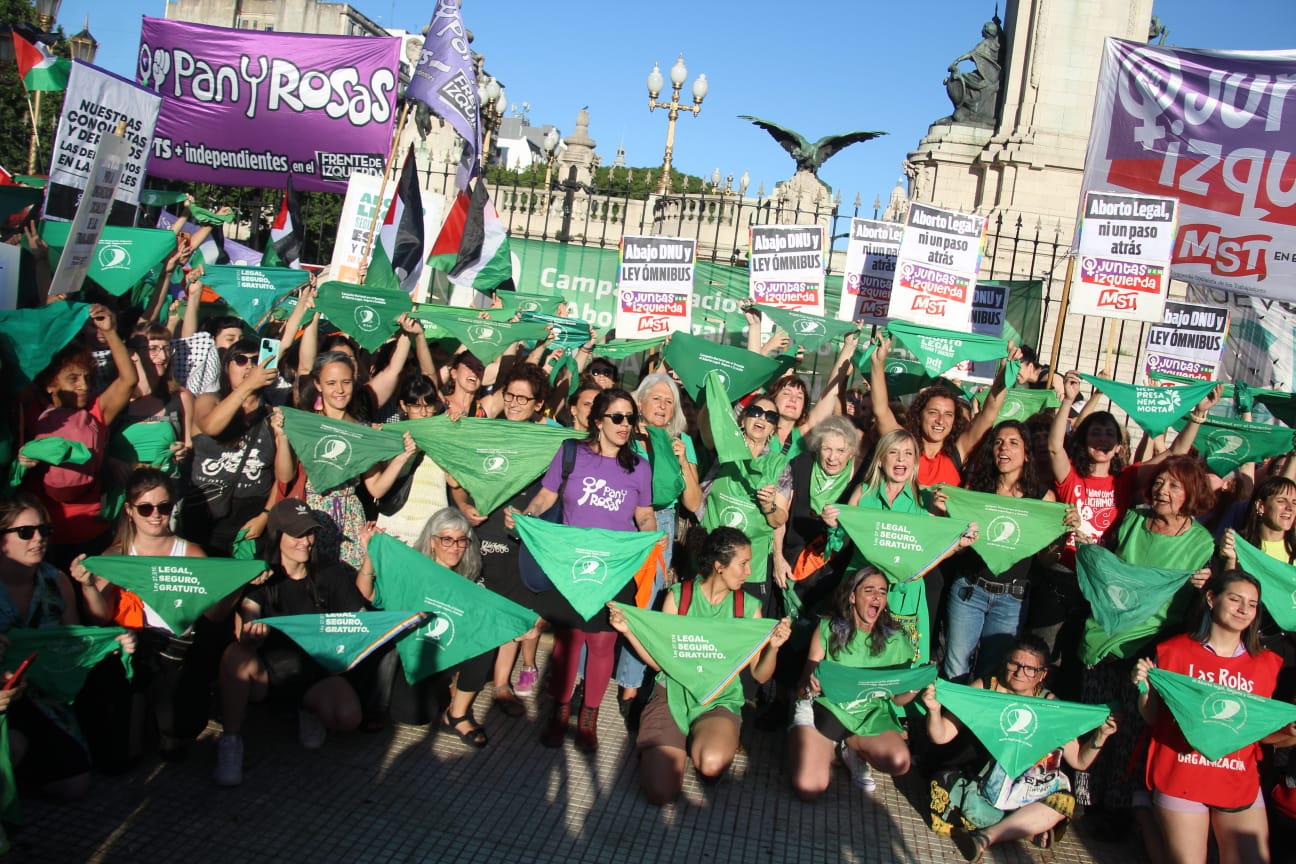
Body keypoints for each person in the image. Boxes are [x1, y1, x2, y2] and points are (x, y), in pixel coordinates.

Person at [1074, 455, 1217, 835]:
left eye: (1173, 485)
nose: (1161, 490)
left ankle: (1117, 808)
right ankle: (1083, 798)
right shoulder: (1135, 519)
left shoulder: (1201, 543)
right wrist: (1086, 542)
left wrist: (1206, 587)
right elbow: (1106, 562)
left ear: (1192, 493)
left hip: (1152, 646)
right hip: (1104, 634)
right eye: (1159, 482)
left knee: (1132, 728)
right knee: (1095, 718)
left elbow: (1203, 606)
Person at [508, 387, 657, 751]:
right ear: (598, 420)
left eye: (630, 419)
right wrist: (525, 518)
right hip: (571, 564)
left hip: (614, 568)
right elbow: (546, 497)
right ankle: (559, 711)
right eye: (617, 418)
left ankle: (588, 717)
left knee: (604, 641)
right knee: (568, 641)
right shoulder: (571, 452)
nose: (625, 426)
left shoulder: (640, 466)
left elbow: (645, 515)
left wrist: (650, 538)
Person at [608, 527, 792, 805]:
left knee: (711, 763)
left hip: (719, 700)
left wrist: (774, 649)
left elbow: (760, 674)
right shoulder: (679, 597)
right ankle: (669, 743)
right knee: (660, 793)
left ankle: (702, 741)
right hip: (671, 694)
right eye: (743, 564)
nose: (749, 571)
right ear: (719, 566)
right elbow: (661, 661)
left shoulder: (747, 607)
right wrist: (628, 631)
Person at [70, 468, 231, 762]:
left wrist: (231, 586)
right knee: (121, 755)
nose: (156, 515)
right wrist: (87, 586)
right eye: (146, 508)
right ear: (130, 511)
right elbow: (98, 618)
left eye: (164, 507)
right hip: (130, 642)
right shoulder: (116, 554)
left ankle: (161, 723)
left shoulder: (191, 552)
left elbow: (215, 615)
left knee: (177, 729)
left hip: (177, 644)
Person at [1133, 571, 1293, 864]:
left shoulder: (1267, 664)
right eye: (1234, 599)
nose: (1244, 609)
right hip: (1182, 772)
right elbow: (1153, 718)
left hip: (1237, 779)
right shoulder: (1173, 652)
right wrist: (1144, 688)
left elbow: (1257, 735)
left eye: (1253, 604)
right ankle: (1145, 814)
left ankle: (1143, 812)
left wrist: (1290, 734)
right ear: (1211, 598)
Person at [212, 500, 370, 787]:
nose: (306, 542)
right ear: (277, 536)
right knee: (235, 656)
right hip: (268, 672)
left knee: (348, 718)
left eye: (309, 533)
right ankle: (231, 741)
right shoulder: (261, 574)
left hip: (315, 670)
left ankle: (306, 709)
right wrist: (250, 629)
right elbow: (248, 617)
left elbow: (358, 619)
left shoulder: (330, 572)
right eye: (297, 534)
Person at [926, 635, 1117, 861]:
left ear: (1042, 675)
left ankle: (986, 838)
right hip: (984, 780)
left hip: (1030, 787)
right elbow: (941, 736)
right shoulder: (987, 688)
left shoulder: (1049, 706)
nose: (1019, 673)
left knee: (1063, 802)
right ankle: (1024, 828)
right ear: (1005, 662)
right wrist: (934, 711)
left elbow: (1079, 762)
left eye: (1029, 669)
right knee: (950, 799)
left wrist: (1101, 735)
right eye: (1014, 664)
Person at [0, 493, 135, 800]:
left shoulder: (55, 581)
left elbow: (71, 644)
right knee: (13, 744)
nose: (38, 539)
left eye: (44, 531)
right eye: (26, 532)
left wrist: (108, 643)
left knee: (73, 786)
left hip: (42, 694)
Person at [450, 362, 553, 716]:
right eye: (510, 395)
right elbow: (458, 481)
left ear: (539, 404)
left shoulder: (547, 443)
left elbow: (551, 494)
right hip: (482, 529)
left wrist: (532, 518)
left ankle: (502, 683)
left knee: (510, 610)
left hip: (518, 534)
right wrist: (464, 506)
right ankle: (460, 678)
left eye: (524, 398)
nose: (514, 403)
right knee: (474, 609)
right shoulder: (484, 433)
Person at [936, 420, 1062, 682]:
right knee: (955, 668)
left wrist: (1062, 534)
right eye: (998, 442)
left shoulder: (1042, 499)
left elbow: (1046, 559)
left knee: (992, 673)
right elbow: (955, 548)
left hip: (1011, 599)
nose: (1004, 448)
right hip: (969, 591)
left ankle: (972, 724)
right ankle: (947, 722)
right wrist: (945, 513)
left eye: (1013, 443)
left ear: (1027, 453)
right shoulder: (974, 491)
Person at [358, 508, 498, 745]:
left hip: (445, 650)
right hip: (412, 654)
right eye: (447, 539)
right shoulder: (411, 570)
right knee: (415, 715)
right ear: (432, 542)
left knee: (487, 637)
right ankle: (432, 691)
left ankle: (457, 715)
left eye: (461, 540)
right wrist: (371, 555)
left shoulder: (465, 577)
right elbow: (368, 592)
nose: (455, 546)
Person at [21, 305, 138, 570]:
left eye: (87, 377)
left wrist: (109, 332)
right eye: (72, 378)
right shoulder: (31, 410)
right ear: (50, 383)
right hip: (42, 536)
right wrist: (56, 307)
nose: (83, 385)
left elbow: (128, 380)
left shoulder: (97, 413)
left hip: (92, 532)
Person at [615, 372, 704, 717]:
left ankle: (630, 689)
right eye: (657, 398)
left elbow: (694, 503)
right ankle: (584, 679)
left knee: (646, 606)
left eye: (670, 401)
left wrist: (682, 460)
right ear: (640, 402)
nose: (663, 406)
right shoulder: (625, 432)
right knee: (613, 598)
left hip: (661, 524)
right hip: (620, 520)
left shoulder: (681, 440)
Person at [789, 567, 919, 799]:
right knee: (808, 788)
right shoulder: (828, 627)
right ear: (852, 596)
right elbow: (801, 688)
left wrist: (914, 687)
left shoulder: (897, 639)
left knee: (900, 762)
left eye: (882, 591)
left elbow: (898, 699)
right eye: (869, 590)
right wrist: (810, 684)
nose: (877, 597)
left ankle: (852, 748)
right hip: (827, 711)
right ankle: (818, 744)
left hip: (869, 715)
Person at [279, 350, 417, 568]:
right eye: (331, 383)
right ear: (317, 384)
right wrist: (283, 438)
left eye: (345, 382)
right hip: (311, 514)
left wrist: (403, 456)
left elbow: (377, 489)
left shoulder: (364, 431)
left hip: (350, 518)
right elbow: (285, 476)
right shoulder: (307, 424)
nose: (340, 390)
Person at [183, 338, 283, 557]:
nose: (249, 365)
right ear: (226, 366)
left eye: (255, 360)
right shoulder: (209, 400)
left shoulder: (272, 414)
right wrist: (248, 386)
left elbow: (281, 476)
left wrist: (265, 515)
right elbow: (211, 426)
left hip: (251, 516)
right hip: (205, 513)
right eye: (240, 360)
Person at [868, 336, 1010, 488]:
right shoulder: (902, 445)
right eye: (933, 412)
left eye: (948, 414)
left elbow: (989, 413)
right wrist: (878, 363)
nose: (940, 421)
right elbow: (881, 410)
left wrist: (1005, 370)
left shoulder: (958, 452)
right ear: (919, 415)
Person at [696, 393, 792, 597]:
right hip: (710, 560)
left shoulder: (779, 465)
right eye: (756, 412)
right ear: (743, 418)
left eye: (771, 417)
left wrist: (769, 507)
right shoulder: (722, 449)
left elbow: (779, 519)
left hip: (750, 571)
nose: (762, 419)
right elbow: (705, 428)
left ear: (774, 429)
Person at [774, 415, 861, 617]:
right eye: (827, 449)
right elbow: (780, 516)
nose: (833, 457)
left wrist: (836, 529)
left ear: (851, 453)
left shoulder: (858, 480)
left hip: (831, 574)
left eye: (841, 450)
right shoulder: (800, 465)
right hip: (790, 565)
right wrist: (777, 557)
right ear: (817, 448)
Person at [374, 375, 449, 547]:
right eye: (416, 406)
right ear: (403, 406)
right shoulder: (390, 436)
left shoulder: (443, 436)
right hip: (397, 524)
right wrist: (406, 454)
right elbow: (378, 489)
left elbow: (453, 481)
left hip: (435, 526)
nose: (423, 413)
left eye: (428, 405)